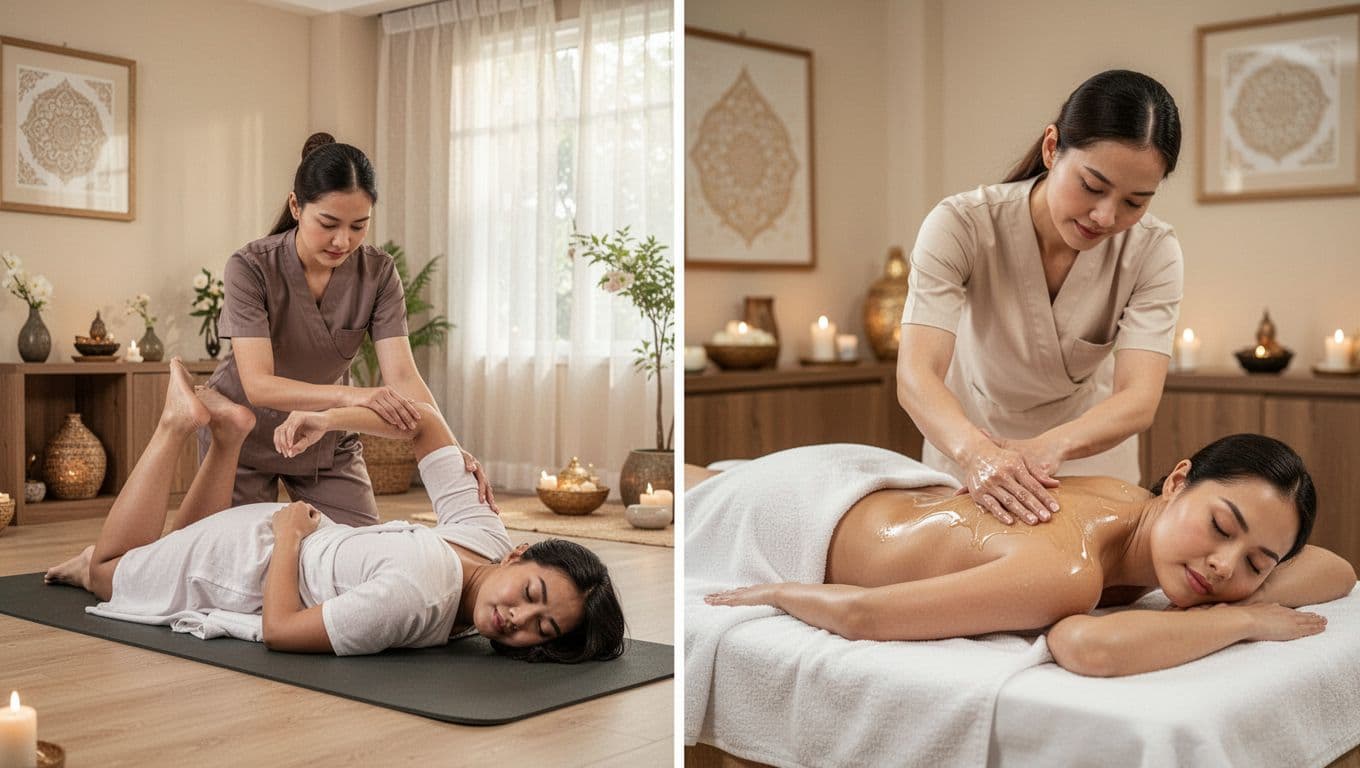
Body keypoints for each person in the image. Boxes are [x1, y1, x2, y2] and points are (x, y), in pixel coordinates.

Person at [45, 359, 625, 662]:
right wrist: (326, 420)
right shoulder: (428, 586)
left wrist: (291, 528)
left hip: (265, 541)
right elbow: (280, 631)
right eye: (531, 595)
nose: (517, 620)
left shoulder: (485, 542)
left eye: (541, 630)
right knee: (109, 571)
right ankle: (176, 425)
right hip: (255, 554)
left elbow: (422, 419)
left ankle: (229, 437)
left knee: (149, 557)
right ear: (520, 553)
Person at [694, 435, 1357, 676]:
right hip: (802, 513)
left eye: (1257, 562)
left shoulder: (1132, 504)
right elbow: (867, 615)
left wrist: (1250, 595)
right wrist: (1238, 618)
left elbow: (1339, 568)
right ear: (1179, 479)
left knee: (698, 478)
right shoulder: (1066, 572)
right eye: (1221, 525)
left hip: (884, 482)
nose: (1222, 565)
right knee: (694, 493)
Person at [898, 69, 1184, 527]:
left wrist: (1044, 450)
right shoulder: (962, 225)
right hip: (967, 446)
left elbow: (1138, 398)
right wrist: (979, 455)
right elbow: (916, 374)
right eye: (1092, 186)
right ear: (1052, 148)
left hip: (1087, 457)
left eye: (1135, 202)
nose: (1106, 215)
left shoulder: (1153, 251)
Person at [203, 131, 493, 526]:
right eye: (329, 223)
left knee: (363, 555)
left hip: (325, 438)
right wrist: (355, 397)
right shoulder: (251, 267)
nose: (343, 240)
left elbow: (403, 376)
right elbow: (258, 385)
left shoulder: (378, 272)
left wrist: (451, 451)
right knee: (244, 570)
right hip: (241, 438)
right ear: (296, 206)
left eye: (359, 226)